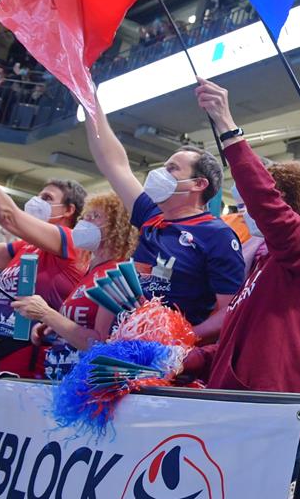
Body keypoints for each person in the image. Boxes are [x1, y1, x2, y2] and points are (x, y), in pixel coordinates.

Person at [179, 79, 300, 393]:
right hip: (238, 399)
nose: (246, 211)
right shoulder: (264, 262)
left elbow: (265, 200)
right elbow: (236, 345)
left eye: (249, 204)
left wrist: (228, 127)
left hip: (268, 401)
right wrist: (184, 358)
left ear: (287, 203)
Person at [83, 100, 244, 341]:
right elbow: (113, 164)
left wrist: (185, 337)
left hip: (170, 355)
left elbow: (231, 309)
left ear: (198, 184)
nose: (160, 173)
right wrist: (89, 100)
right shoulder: (151, 215)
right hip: (122, 345)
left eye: (172, 169)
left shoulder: (217, 235)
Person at [0, 127, 85, 375]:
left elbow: (6, 216)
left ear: (68, 210)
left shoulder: (72, 242)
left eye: (47, 198)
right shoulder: (24, 246)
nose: (37, 202)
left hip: (29, 354)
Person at [14, 193, 137, 380]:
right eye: (85, 216)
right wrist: (53, 326)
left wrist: (47, 314)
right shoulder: (90, 272)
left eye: (95, 216)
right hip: (60, 379)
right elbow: (81, 325)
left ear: (117, 227)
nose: (85, 222)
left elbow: (99, 344)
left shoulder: (116, 275)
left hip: (83, 386)